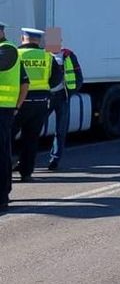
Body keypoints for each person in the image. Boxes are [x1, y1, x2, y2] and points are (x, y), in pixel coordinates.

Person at [14, 28, 62, 183]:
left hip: (19, 101)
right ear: (39, 40)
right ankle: (26, 174)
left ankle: (5, 171)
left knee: (7, 137)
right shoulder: (47, 56)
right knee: (31, 139)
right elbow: (56, 79)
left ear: (23, 38)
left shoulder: (16, 54)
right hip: (41, 102)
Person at [0, 23, 30, 212]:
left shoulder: (8, 49)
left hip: (3, 110)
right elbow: (24, 82)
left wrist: (16, 107)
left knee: (1, 154)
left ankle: (2, 196)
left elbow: (25, 84)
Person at [47, 45, 83, 171]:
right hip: (47, 96)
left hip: (63, 96)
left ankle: (55, 159)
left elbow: (78, 77)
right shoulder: (44, 55)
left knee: (60, 130)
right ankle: (26, 159)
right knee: (34, 128)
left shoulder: (68, 55)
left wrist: (70, 92)